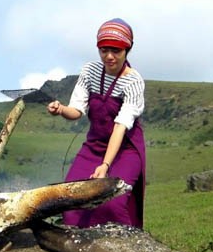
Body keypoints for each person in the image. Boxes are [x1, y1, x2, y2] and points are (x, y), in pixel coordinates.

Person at [47, 18, 146, 228]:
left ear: (127, 49)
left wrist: (105, 165)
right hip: (94, 146)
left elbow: (120, 126)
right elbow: (76, 110)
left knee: (111, 201)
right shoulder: (90, 71)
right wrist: (61, 109)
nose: (109, 56)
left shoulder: (133, 81)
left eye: (116, 51)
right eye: (104, 50)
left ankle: (126, 250)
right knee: (71, 199)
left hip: (125, 149)